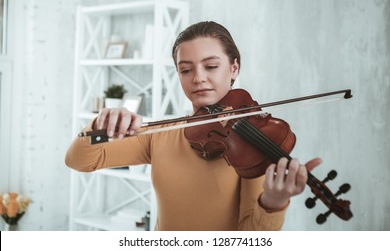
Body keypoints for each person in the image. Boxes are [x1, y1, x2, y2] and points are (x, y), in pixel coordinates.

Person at [65, 21, 322, 231]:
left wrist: (273, 203)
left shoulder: (253, 145)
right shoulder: (163, 133)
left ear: (234, 68)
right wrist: (101, 124)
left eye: (211, 66)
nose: (198, 78)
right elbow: (80, 161)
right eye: (186, 70)